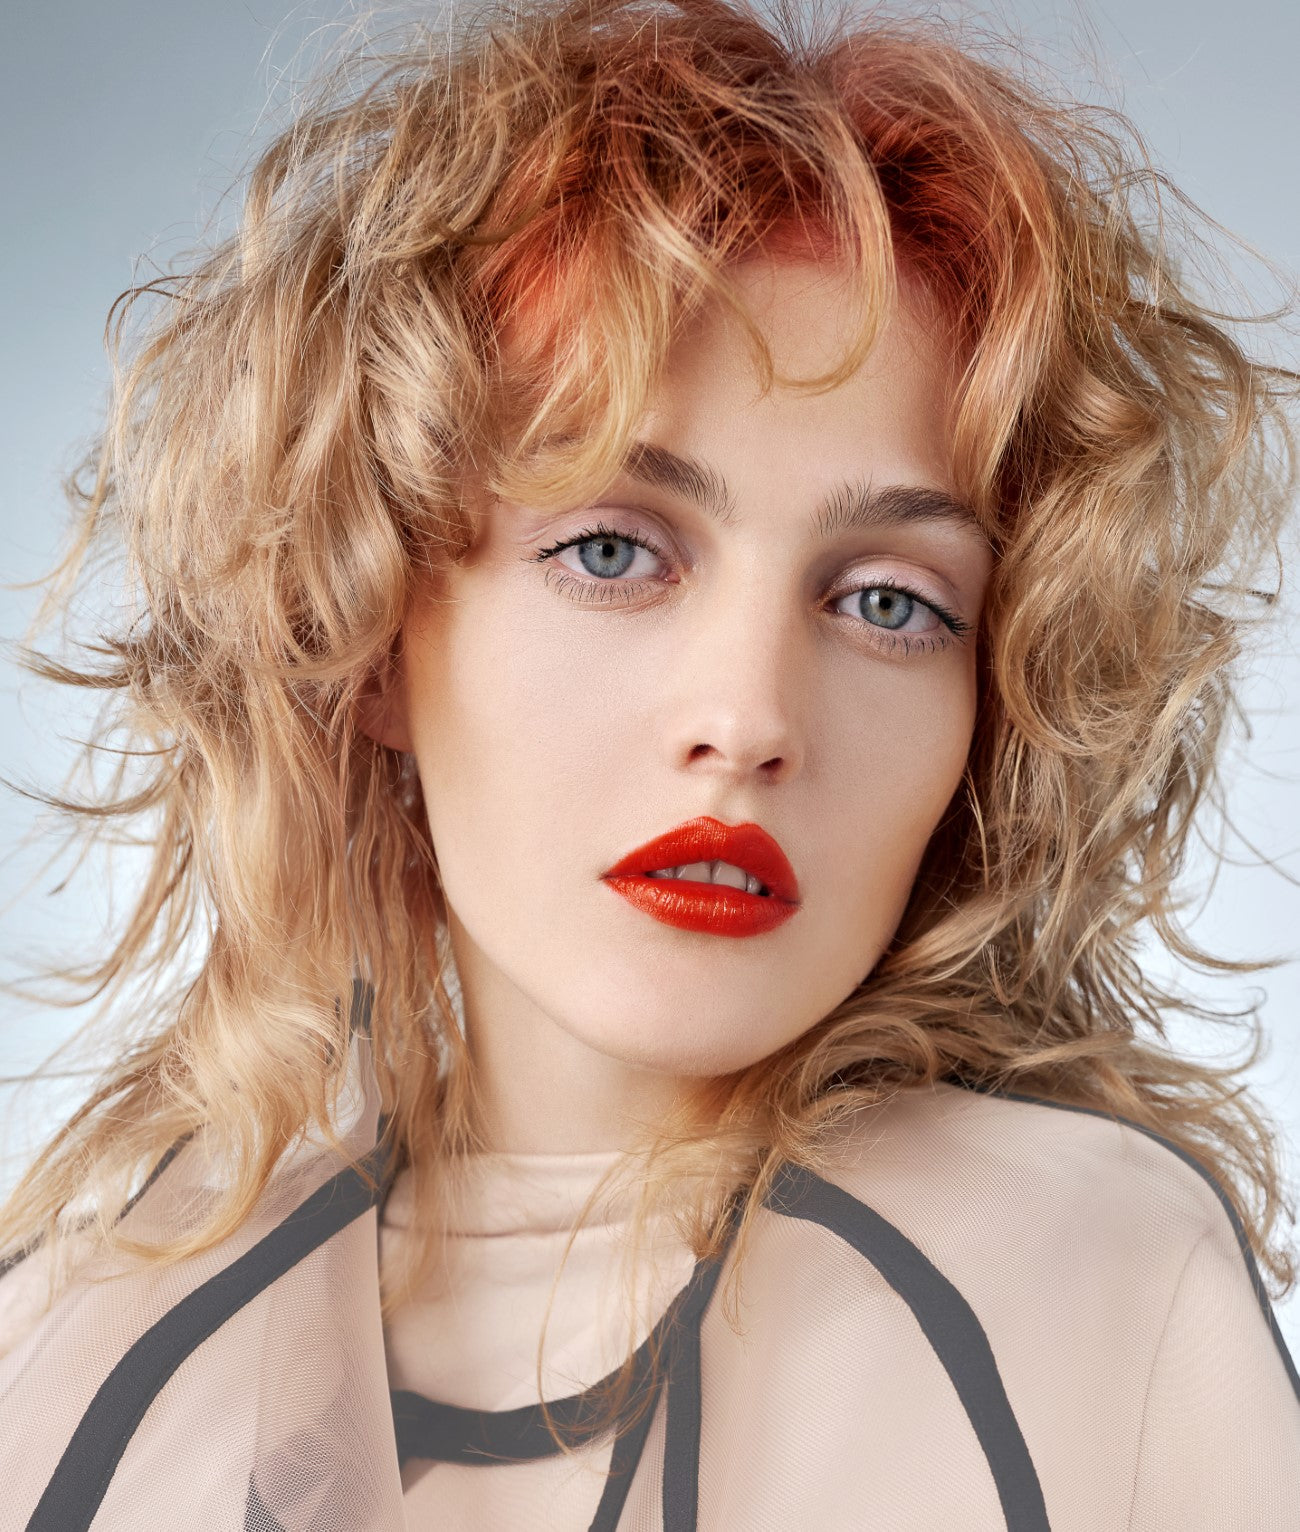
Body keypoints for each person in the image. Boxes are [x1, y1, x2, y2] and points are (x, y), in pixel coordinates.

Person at [0, 0, 1297, 1525]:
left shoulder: (1085, 1295)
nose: (748, 720)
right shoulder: (78, 1360)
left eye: (889, 603)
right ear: (368, 629)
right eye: (613, 551)